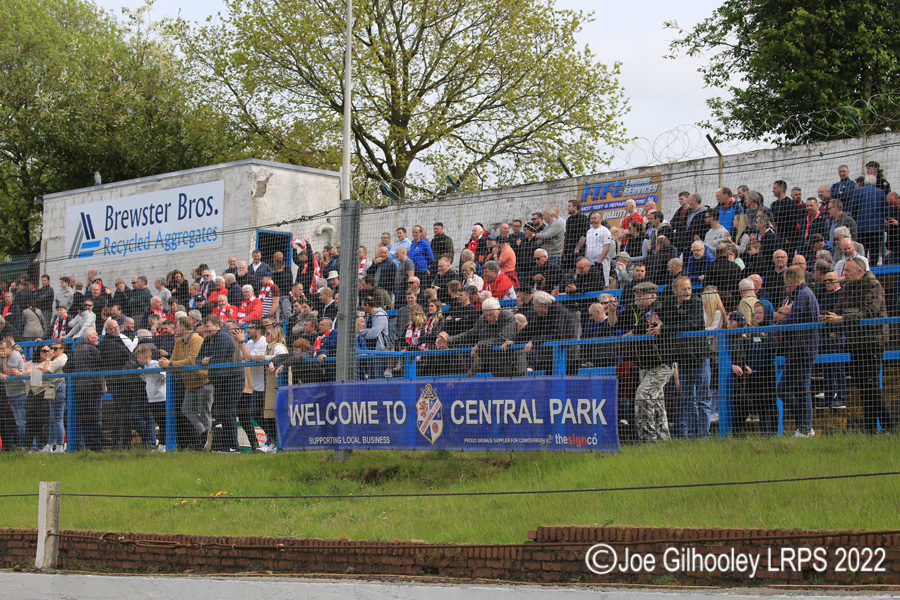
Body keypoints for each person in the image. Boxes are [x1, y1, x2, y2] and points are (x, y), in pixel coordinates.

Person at [822, 257, 892, 433]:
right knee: (862, 386)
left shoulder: (874, 285)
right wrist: (829, 316)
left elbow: (870, 311)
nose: (844, 274)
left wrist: (843, 318)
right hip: (856, 343)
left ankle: (890, 427)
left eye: (848, 271)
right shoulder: (848, 287)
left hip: (873, 342)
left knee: (872, 386)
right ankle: (870, 430)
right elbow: (839, 308)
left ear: (860, 272)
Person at [774, 266, 820, 438]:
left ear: (790, 281)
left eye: (786, 283)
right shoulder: (808, 293)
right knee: (801, 388)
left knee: (786, 388)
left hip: (801, 349)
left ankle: (805, 425)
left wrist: (776, 327)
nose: (786, 287)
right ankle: (804, 426)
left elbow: (794, 319)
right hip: (805, 348)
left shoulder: (802, 294)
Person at [624, 282, 672, 444]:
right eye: (636, 294)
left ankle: (648, 440)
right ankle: (663, 440)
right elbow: (616, 324)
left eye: (641, 294)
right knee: (657, 403)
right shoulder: (636, 311)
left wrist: (631, 333)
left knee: (643, 397)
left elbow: (652, 326)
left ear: (652, 296)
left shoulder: (655, 309)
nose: (637, 297)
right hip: (644, 365)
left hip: (660, 364)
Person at [660, 276, 707, 439]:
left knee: (702, 399)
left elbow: (692, 324)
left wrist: (665, 329)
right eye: (684, 289)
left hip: (699, 356)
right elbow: (664, 320)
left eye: (689, 288)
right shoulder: (668, 304)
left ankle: (703, 436)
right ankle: (693, 435)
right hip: (682, 357)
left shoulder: (696, 302)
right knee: (686, 399)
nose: (688, 292)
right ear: (675, 291)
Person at [160, 316, 212, 451]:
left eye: (177, 326)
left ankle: (207, 441)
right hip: (189, 383)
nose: (175, 329)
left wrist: (170, 363)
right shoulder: (178, 342)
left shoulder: (196, 339)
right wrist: (165, 362)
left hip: (202, 381)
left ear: (183, 327)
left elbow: (192, 360)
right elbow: (174, 359)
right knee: (186, 409)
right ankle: (204, 433)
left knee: (204, 411)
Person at [441, 297, 524, 378]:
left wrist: (480, 344)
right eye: (486, 315)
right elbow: (470, 334)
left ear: (499, 310)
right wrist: (449, 340)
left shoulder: (508, 316)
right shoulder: (482, 319)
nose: (488, 318)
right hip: (497, 368)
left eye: (491, 314)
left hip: (514, 366)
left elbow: (503, 338)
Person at [198, 315, 242, 452]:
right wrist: (204, 360)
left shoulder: (223, 337)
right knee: (222, 413)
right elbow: (198, 359)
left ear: (217, 326)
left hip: (232, 380)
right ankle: (228, 446)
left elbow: (219, 359)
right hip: (219, 380)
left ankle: (233, 446)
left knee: (228, 412)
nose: (205, 329)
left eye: (208, 326)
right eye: (204, 326)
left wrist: (207, 361)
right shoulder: (208, 339)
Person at [67, 328, 102, 452]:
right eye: (96, 335)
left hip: (80, 389)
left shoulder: (76, 350)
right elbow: (103, 362)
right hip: (93, 388)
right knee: (95, 419)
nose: (98, 338)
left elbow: (67, 368)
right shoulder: (93, 349)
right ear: (89, 338)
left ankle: (88, 447)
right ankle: (97, 447)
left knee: (85, 419)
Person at [135, 345, 166, 451]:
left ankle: (163, 446)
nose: (138, 359)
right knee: (158, 420)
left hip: (160, 398)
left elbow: (164, 376)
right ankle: (161, 444)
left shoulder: (156, 364)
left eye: (139, 357)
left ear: (146, 356)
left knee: (163, 422)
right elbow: (147, 380)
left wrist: (158, 372)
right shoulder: (145, 367)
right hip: (151, 398)